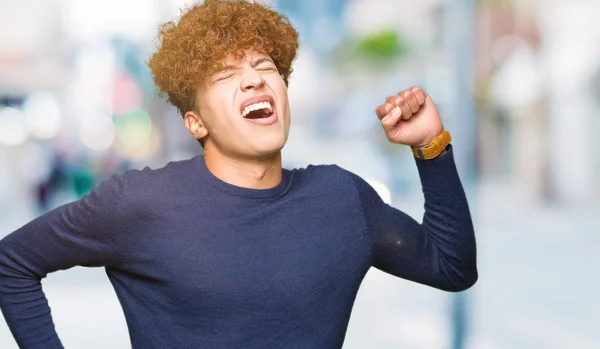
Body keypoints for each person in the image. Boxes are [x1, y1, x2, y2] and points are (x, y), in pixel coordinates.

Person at [0, 0, 477, 348]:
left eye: (265, 66)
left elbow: (453, 268)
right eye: (226, 75)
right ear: (196, 123)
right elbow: (12, 263)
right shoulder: (140, 202)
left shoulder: (341, 198)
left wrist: (430, 145)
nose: (254, 79)